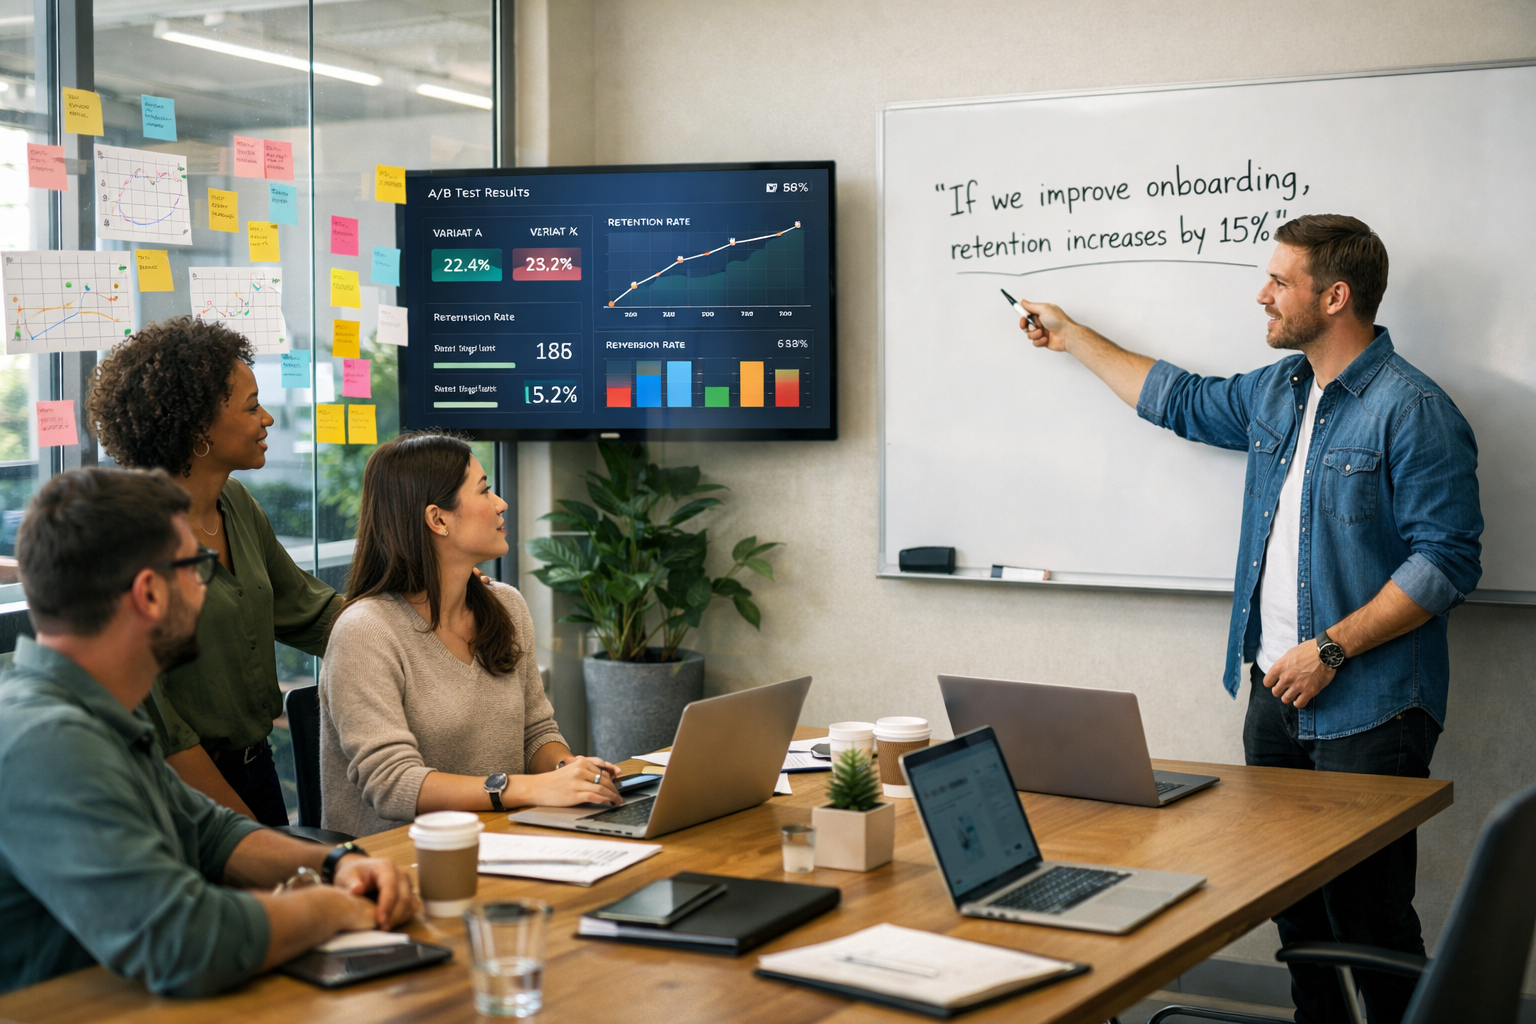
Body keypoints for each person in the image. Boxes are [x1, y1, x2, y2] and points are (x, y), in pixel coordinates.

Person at [1015, 214, 1481, 1024]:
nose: (1262, 295)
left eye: (1279, 281)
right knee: (1293, 913)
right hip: (1274, 695)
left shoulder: (1413, 409)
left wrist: (1330, 650)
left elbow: (1446, 561)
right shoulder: (1279, 391)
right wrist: (1071, 335)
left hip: (1372, 708)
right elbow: (1178, 399)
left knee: (1367, 917)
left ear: (1335, 297)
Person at [0, 467, 417, 997]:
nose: (206, 586)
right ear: (150, 594)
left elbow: (210, 835)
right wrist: (331, 907)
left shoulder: (94, 713)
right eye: (197, 568)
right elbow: (182, 942)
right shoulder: (49, 743)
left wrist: (336, 863)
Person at [87, 317, 343, 825]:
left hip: (257, 767)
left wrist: (429, 614)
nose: (267, 418)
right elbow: (160, 727)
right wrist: (242, 831)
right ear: (199, 426)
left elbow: (311, 612)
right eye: (251, 407)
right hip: (178, 790)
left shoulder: (237, 502)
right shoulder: (126, 535)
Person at [319, 432, 621, 838]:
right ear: (438, 519)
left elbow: (536, 733)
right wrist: (529, 789)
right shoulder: (365, 631)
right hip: (402, 860)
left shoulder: (507, 606)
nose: (501, 503)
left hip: (506, 842)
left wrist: (571, 773)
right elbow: (392, 784)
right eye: (484, 490)